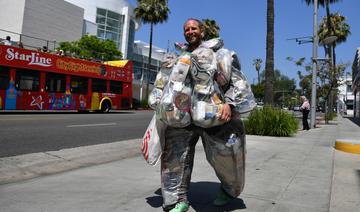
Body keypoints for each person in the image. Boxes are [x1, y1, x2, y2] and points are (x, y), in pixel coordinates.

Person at [148, 18, 255, 212]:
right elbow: (163, 84)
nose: (190, 31)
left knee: (226, 158)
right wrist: (158, 102)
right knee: (175, 159)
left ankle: (229, 189)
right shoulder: (177, 57)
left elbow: (238, 82)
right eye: (187, 29)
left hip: (214, 116)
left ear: (202, 31)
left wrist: (230, 104)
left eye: (193, 28)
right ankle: (177, 200)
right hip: (181, 118)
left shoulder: (220, 55)